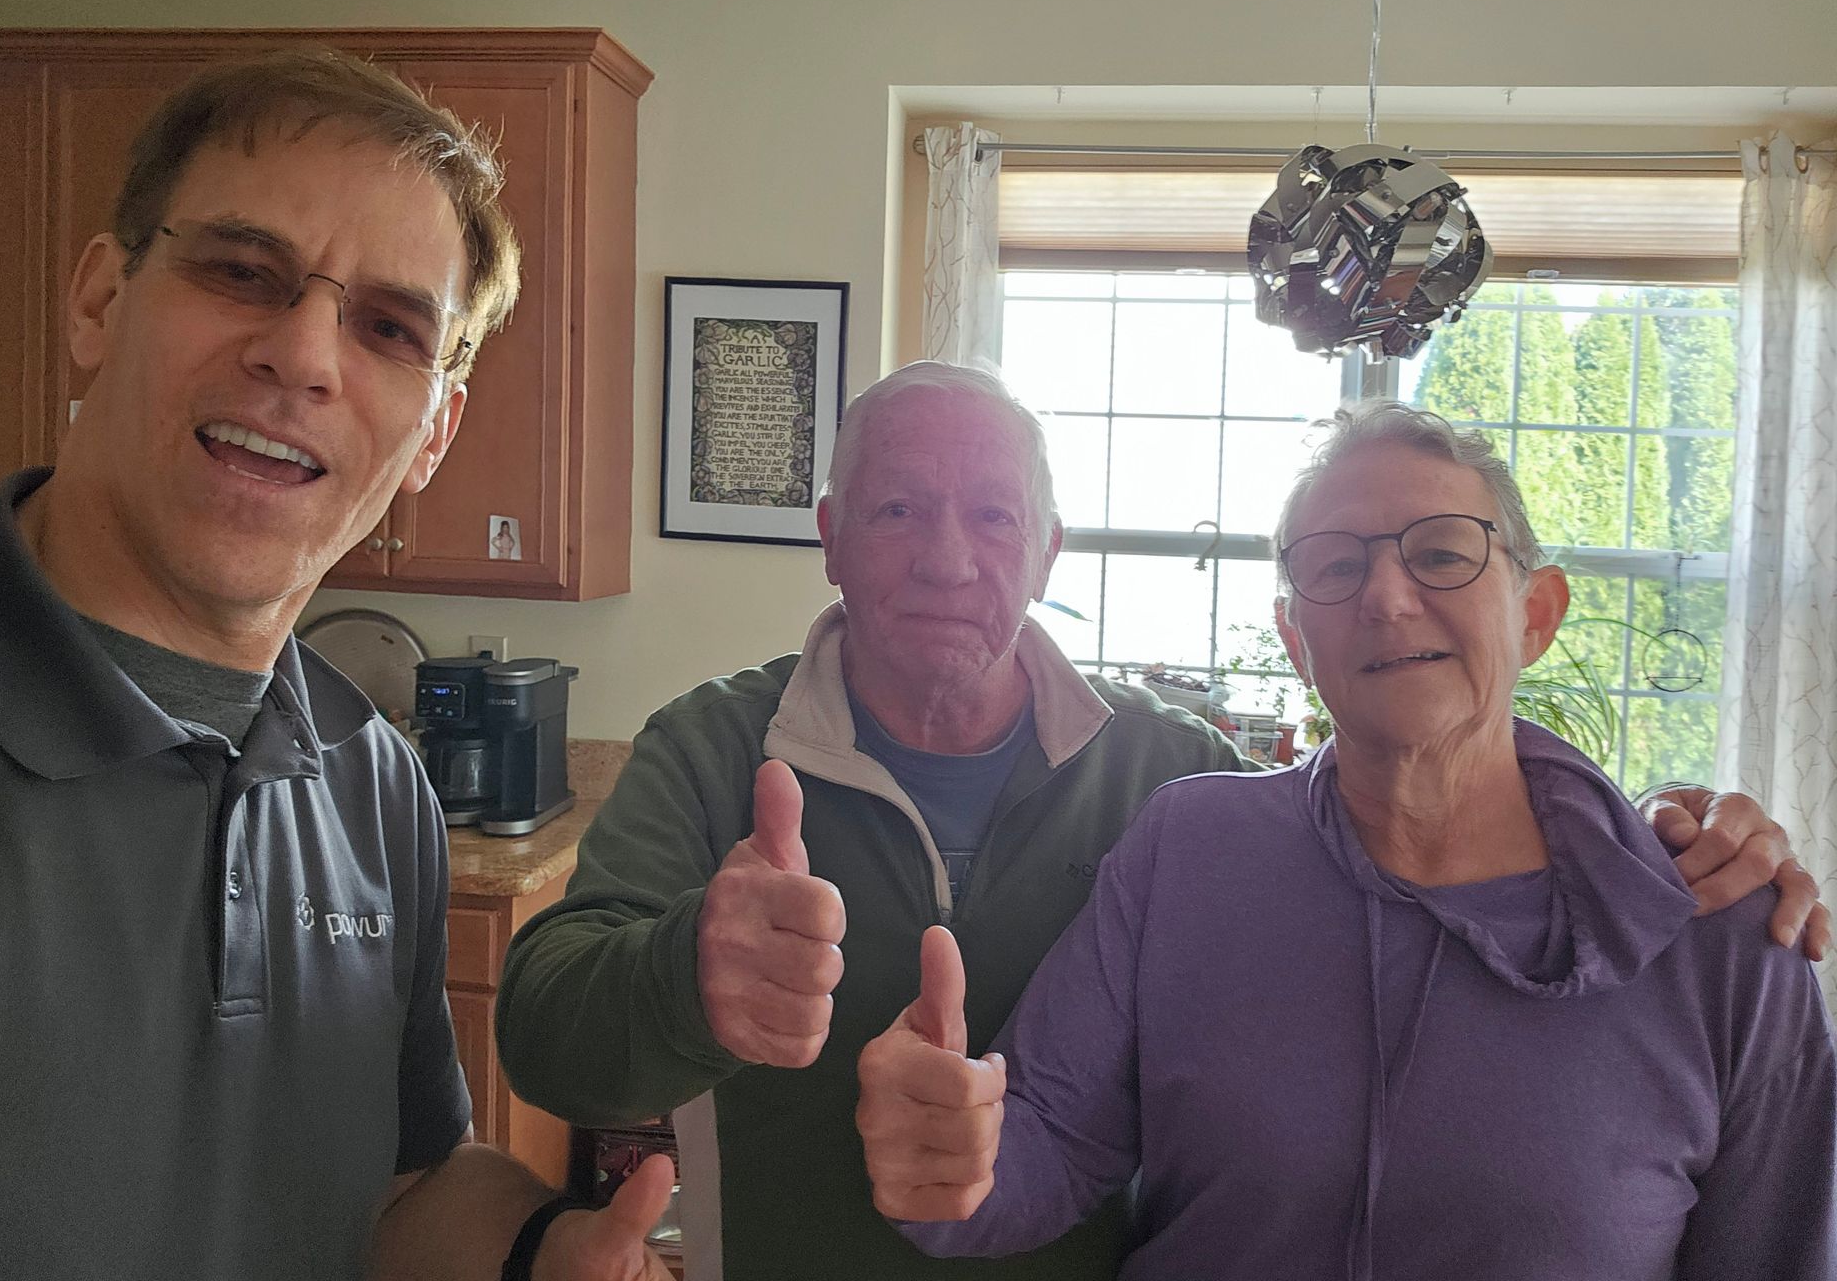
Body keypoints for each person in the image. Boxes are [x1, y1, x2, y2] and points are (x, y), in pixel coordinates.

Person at [496, 363, 1825, 1280]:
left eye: (1441, 554)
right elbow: (549, 1037)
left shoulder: (1168, 780)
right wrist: (697, 976)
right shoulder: (723, 750)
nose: (947, 556)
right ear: (834, 537)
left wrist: (1666, 826)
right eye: (898, 511)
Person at [0, 50, 671, 1281]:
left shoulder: (376, 789)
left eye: (388, 326)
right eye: (241, 271)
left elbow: (399, 1192)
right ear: (101, 302)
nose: (305, 356)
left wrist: (544, 1251)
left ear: (435, 431)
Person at [859, 402, 1837, 1280]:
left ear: (1535, 612)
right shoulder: (1190, 848)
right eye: (1337, 564)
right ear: (1295, 638)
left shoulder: (1722, 934)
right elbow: (1047, 1143)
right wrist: (956, 1160)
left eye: (1443, 553)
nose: (1387, 596)